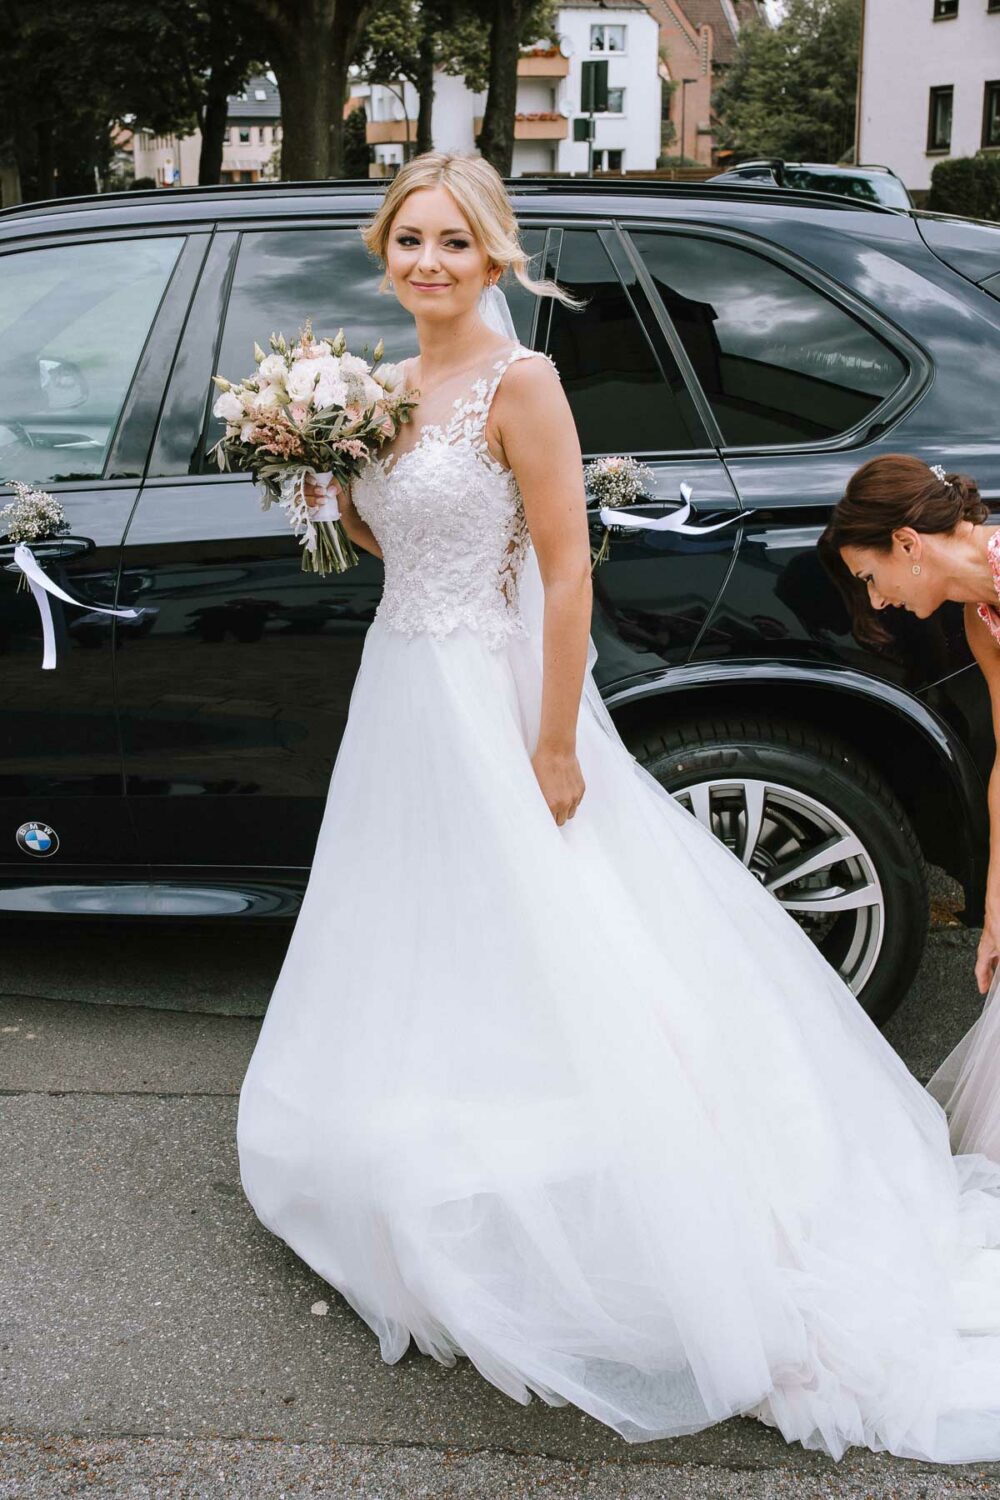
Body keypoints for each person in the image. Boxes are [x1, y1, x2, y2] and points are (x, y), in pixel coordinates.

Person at [237, 154, 1000, 1463]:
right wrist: (320, 481)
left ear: (495, 256)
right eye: (409, 240)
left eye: (454, 242)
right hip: (401, 686)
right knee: (426, 919)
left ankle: (647, 1179)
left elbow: (565, 562)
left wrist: (551, 739)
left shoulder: (520, 383)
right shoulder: (378, 392)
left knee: (563, 920)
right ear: (387, 252)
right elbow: (398, 539)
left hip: (491, 689)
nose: (428, 262)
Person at [819, 453, 1000, 1160]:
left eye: (870, 579)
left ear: (907, 544)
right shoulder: (983, 620)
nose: (877, 601)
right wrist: (993, 908)